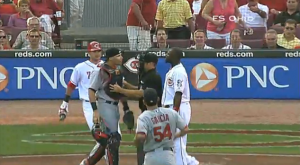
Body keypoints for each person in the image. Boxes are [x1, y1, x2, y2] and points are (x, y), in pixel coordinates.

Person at [79, 47, 135, 165]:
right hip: (104, 105)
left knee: (109, 140)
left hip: (114, 106)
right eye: (118, 56)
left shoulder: (117, 70)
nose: (121, 58)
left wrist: (126, 108)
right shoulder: (100, 71)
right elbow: (91, 90)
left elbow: (121, 89)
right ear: (111, 57)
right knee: (113, 139)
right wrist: (95, 111)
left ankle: (88, 162)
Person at [109, 52, 163, 165]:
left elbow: (140, 93)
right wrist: (126, 84)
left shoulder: (152, 77)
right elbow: (139, 88)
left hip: (151, 114)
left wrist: (121, 90)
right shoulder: (147, 75)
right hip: (148, 112)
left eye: (143, 62)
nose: (140, 65)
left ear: (151, 64)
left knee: (142, 144)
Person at [161, 48, 198, 165]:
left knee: (177, 141)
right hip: (172, 107)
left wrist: (175, 112)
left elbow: (178, 93)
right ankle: (191, 162)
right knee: (175, 140)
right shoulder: (173, 70)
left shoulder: (179, 72)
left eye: (169, 53)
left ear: (175, 57)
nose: (166, 55)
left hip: (178, 107)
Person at [134, 88, 189, 165]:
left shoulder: (143, 117)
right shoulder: (171, 112)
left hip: (151, 157)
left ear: (144, 102)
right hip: (168, 156)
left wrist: (135, 141)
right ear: (158, 99)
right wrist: (175, 135)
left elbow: (141, 137)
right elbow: (185, 129)